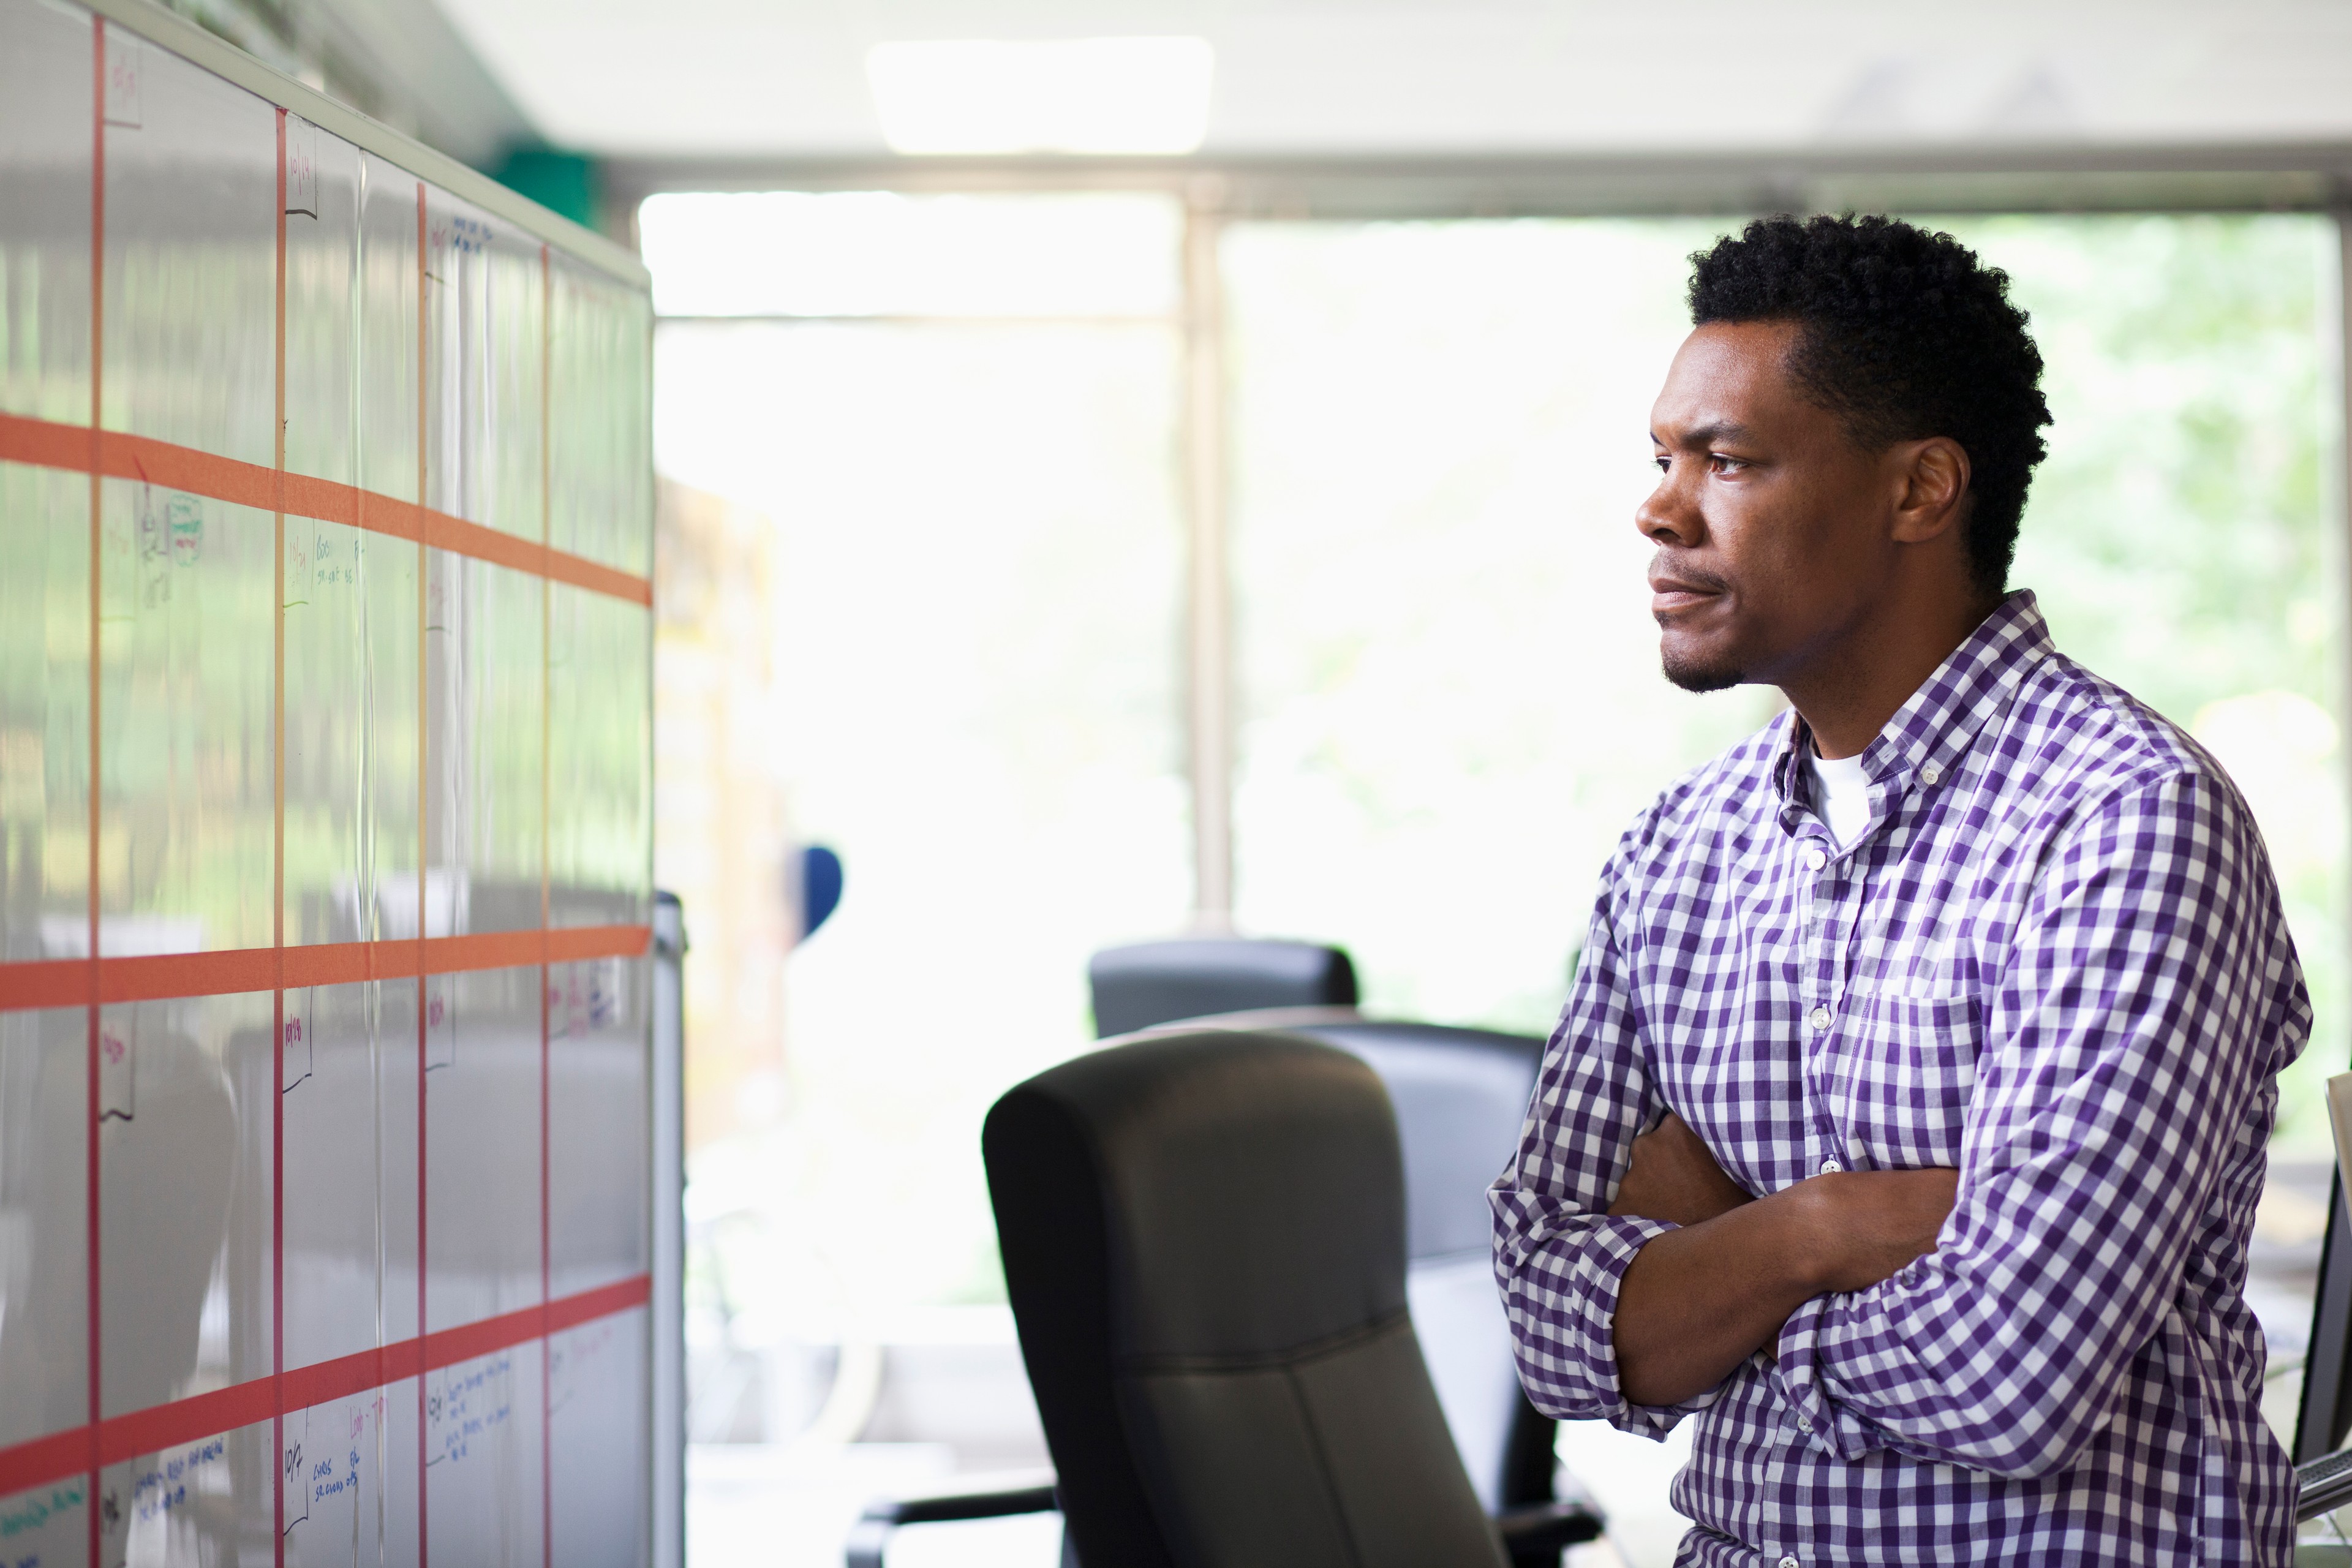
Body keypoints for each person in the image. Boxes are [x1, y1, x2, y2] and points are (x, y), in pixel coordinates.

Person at [1489, 213, 2309, 1566]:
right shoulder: (1675, 849)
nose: (1660, 508)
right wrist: (1822, 1229)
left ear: (1921, 490)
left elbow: (2014, 1373)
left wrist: (1709, 1275)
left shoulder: (2126, 821)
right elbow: (1548, 1328)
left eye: (1728, 461)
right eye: (1663, 459)